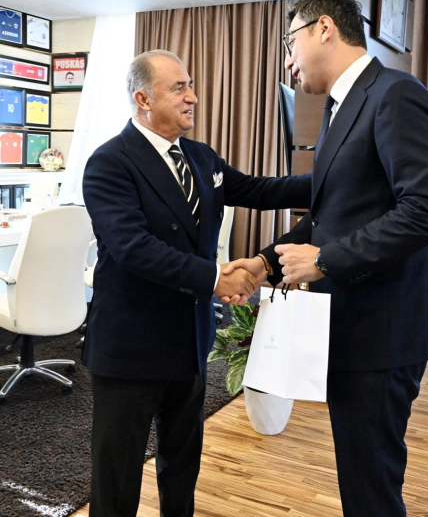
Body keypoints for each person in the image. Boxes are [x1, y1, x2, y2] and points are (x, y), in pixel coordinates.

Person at [224, 0, 428, 516]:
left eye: (290, 43)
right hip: (353, 328)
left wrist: (325, 261)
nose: (288, 61)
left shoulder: (395, 94)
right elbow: (332, 213)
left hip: (383, 333)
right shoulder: (340, 107)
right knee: (359, 478)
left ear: (324, 28)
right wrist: (265, 262)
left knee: (371, 488)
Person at [82, 49, 311, 517]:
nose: (193, 97)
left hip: (189, 340)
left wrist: (334, 177)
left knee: (182, 462)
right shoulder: (109, 163)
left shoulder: (200, 157)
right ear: (143, 99)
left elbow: (261, 190)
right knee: (117, 474)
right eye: (179, 88)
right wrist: (214, 277)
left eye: (190, 85)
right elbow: (133, 248)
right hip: (130, 347)